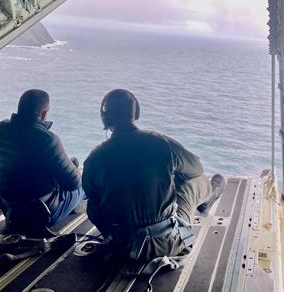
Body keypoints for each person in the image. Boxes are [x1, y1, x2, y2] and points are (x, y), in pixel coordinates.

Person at [83, 89, 225, 263]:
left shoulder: (96, 157)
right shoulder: (160, 143)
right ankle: (210, 196)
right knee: (198, 181)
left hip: (122, 247)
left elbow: (92, 200)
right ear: (137, 113)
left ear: (105, 118)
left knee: (92, 203)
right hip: (168, 243)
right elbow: (196, 168)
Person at [0, 89, 84, 234]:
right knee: (83, 182)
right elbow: (73, 183)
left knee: (71, 163)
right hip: (42, 214)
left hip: (10, 210)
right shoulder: (47, 139)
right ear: (44, 113)